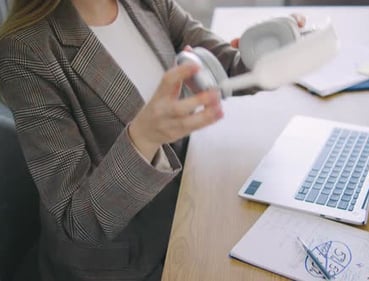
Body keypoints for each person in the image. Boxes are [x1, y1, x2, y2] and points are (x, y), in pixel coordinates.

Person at [0, 0, 305, 280]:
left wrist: (272, 51)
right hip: (126, 261)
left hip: (186, 210)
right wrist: (142, 138)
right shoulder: (26, 52)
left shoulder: (146, 3)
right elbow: (78, 221)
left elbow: (222, 66)